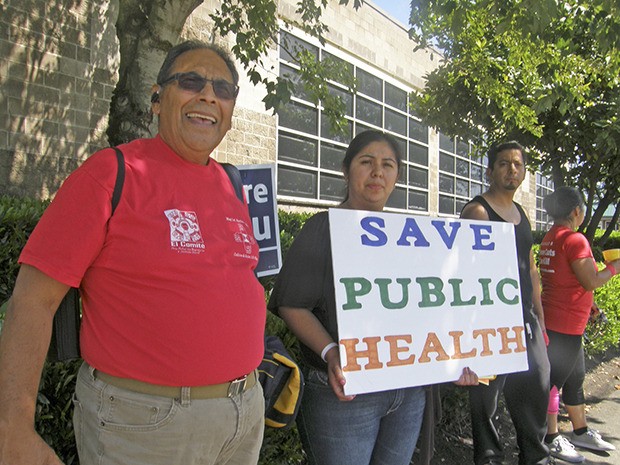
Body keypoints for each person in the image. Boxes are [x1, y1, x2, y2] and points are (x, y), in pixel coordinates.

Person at [0, 41, 265, 465]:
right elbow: (32, 301)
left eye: (223, 88)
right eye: (191, 81)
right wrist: (11, 429)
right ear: (157, 101)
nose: (208, 95)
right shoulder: (110, 173)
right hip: (143, 424)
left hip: (243, 415)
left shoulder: (231, 187)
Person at [267, 129, 477, 465]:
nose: (377, 172)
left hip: (408, 393)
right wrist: (331, 351)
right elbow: (292, 303)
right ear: (347, 170)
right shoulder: (323, 228)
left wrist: (454, 357)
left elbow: (431, 308)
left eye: (388, 165)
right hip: (344, 392)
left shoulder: (414, 237)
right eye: (367, 162)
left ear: (397, 176)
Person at [460, 141, 552, 465]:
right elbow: (462, 271)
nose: (511, 169)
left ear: (524, 172)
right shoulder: (478, 212)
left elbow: (530, 267)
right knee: (486, 403)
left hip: (524, 320)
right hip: (489, 322)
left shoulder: (521, 214)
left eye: (517, 164)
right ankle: (489, 458)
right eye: (503, 163)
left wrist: (539, 318)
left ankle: (535, 457)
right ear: (490, 171)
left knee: (538, 384)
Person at [539, 186, 619, 462]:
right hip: (565, 325)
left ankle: (580, 430)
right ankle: (550, 438)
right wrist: (615, 267)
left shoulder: (551, 237)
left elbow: (565, 279)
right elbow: (591, 280)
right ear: (577, 211)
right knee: (553, 383)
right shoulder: (575, 240)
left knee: (575, 379)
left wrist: (589, 303)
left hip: (560, 320)